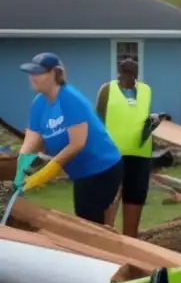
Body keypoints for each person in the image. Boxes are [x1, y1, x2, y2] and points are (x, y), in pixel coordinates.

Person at [17, 53, 124, 224]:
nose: (32, 77)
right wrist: (20, 169)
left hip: (103, 169)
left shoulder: (70, 99)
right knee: (84, 219)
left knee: (92, 224)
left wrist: (47, 171)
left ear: (54, 74)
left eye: (38, 73)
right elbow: (32, 140)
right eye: (31, 73)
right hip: (81, 173)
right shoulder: (39, 103)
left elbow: (77, 144)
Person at [96, 59, 154, 237]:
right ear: (118, 73)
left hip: (140, 156)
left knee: (134, 201)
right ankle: (106, 242)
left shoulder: (146, 90)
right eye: (124, 73)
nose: (127, 77)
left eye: (132, 73)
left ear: (136, 75)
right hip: (112, 156)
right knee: (109, 203)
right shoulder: (107, 90)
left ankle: (130, 244)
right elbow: (98, 120)